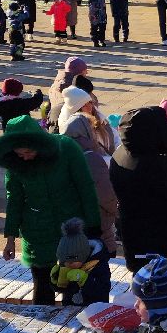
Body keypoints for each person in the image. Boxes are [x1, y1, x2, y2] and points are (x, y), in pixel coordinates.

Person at [0, 113, 101, 305]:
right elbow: (15, 200)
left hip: (70, 231)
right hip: (37, 234)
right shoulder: (15, 164)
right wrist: (10, 238)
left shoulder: (66, 148)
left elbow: (86, 187)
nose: (25, 158)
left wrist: (93, 226)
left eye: (29, 152)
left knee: (73, 286)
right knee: (42, 287)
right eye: (20, 154)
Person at [110, 105, 167, 273]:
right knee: (164, 284)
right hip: (160, 239)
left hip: (132, 235)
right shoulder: (155, 164)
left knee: (141, 281)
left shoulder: (119, 154)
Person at [57, 85, 120, 256]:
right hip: (96, 217)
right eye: (86, 104)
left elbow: (116, 140)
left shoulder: (98, 120)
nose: (90, 107)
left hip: (80, 217)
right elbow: (106, 196)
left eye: (90, 103)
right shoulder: (87, 151)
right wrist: (117, 211)